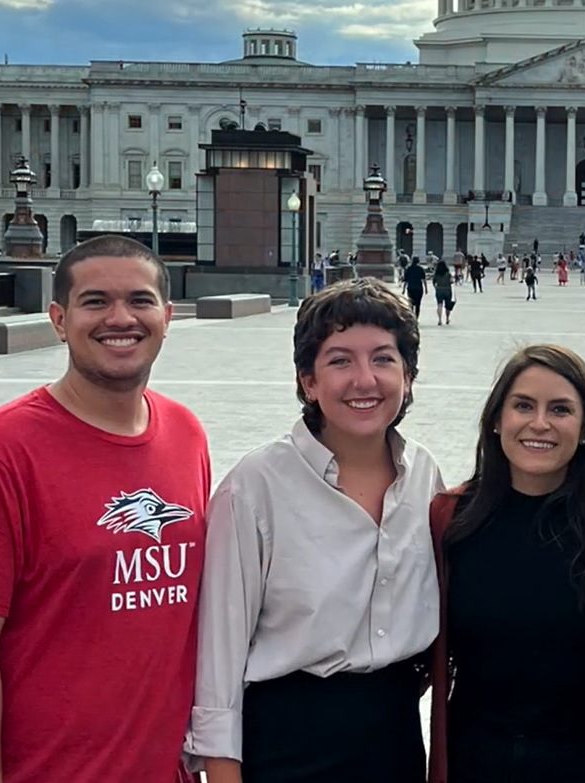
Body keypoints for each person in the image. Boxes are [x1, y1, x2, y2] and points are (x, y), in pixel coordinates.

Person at [0, 234, 211, 783]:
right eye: (96, 301)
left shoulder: (186, 434)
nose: (120, 318)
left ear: (168, 317)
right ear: (58, 318)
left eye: (140, 301)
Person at [188, 279, 442, 783]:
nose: (364, 379)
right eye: (340, 360)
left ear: (408, 377)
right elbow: (218, 661)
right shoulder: (255, 488)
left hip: (394, 735)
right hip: (288, 743)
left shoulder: (424, 478)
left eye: (384, 359)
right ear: (308, 381)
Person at [427, 345, 585, 783]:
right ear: (495, 419)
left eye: (560, 409)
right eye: (523, 405)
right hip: (475, 762)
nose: (539, 423)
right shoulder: (450, 518)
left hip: (581, 764)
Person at [433, 258, 455, 326]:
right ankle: (447, 319)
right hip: (447, 290)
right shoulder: (448, 273)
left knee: (439, 305)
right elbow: (452, 281)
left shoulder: (436, 274)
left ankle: (439, 320)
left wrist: (436, 288)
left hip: (439, 290)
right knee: (447, 306)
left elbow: (434, 282)